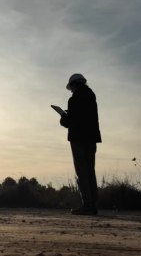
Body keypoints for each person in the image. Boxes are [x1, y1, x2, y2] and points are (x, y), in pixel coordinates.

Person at [59, 73, 102, 215]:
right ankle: (93, 204)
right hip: (91, 139)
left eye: (71, 87)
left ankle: (87, 205)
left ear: (75, 84)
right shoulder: (91, 97)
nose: (71, 90)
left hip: (78, 139)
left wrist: (63, 118)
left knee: (81, 172)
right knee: (90, 171)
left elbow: (71, 122)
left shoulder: (74, 99)